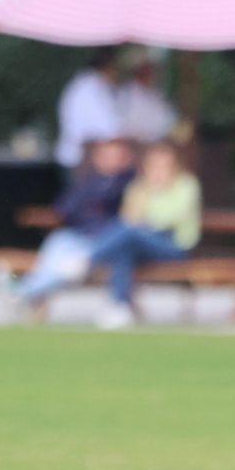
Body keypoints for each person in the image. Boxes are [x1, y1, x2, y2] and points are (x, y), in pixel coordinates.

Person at [88, 141, 202, 330]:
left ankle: (87, 260)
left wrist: (154, 198)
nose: (159, 170)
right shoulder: (139, 187)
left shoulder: (187, 185)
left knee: (129, 234)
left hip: (174, 247)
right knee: (124, 249)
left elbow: (170, 218)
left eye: (164, 165)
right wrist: (147, 194)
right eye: (154, 165)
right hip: (142, 245)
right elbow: (128, 216)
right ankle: (120, 306)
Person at [14, 138, 136, 314]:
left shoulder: (130, 182)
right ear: (97, 158)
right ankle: (28, 290)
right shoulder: (87, 182)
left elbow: (130, 218)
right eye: (107, 155)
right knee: (57, 247)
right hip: (76, 236)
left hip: (103, 242)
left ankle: (22, 292)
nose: (111, 160)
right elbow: (63, 209)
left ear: (126, 158)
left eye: (116, 156)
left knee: (70, 266)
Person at [54, 47, 122, 172]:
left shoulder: (85, 84)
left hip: (79, 156)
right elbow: (110, 128)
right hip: (80, 159)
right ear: (109, 66)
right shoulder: (91, 88)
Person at [115, 47, 177, 145]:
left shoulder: (156, 93)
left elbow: (169, 121)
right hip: (136, 148)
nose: (153, 73)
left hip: (159, 147)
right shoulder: (126, 94)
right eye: (149, 68)